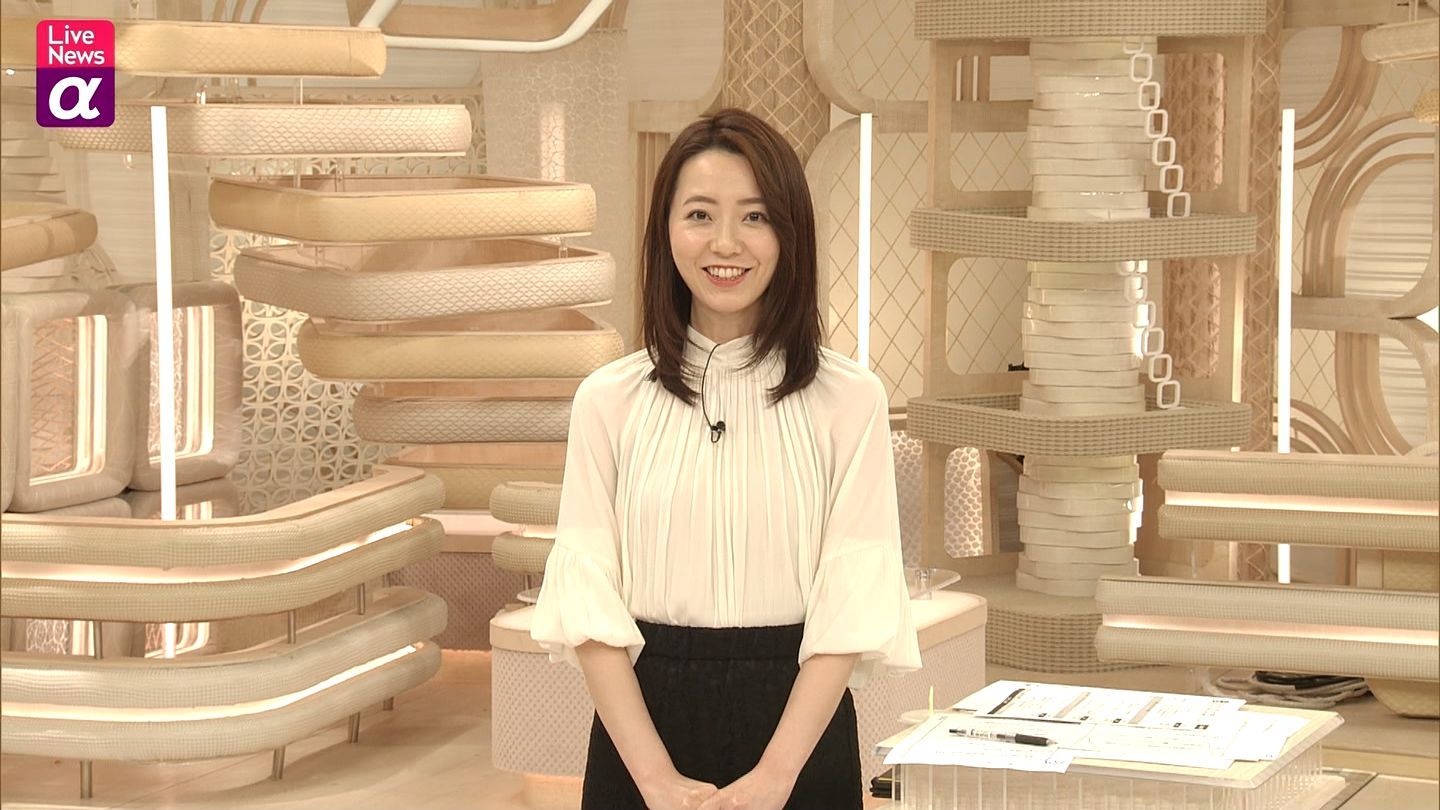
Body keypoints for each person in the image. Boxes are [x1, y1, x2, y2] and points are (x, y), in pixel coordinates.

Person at [530, 107, 921, 810]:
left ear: (790, 233)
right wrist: (655, 780)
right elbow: (589, 606)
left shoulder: (851, 399)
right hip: (643, 733)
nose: (726, 243)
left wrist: (775, 780)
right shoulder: (607, 400)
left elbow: (850, 604)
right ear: (666, 231)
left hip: (798, 731)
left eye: (755, 216)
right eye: (700, 215)